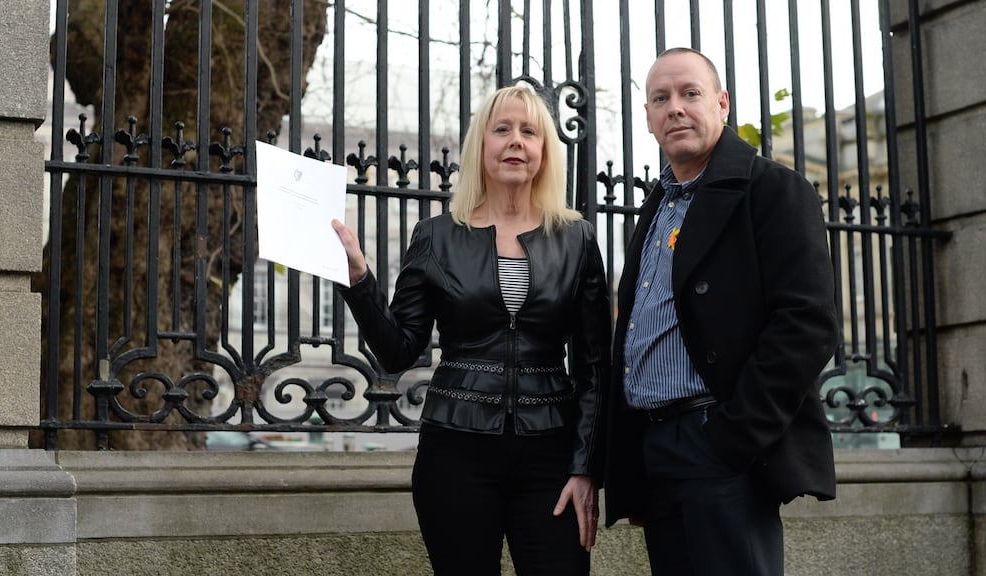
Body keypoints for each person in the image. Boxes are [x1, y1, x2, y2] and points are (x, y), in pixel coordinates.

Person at [332, 84, 611, 576]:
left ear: (544, 149)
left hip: (551, 455)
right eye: (501, 129)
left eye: (529, 131)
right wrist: (358, 280)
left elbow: (594, 366)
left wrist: (585, 467)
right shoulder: (438, 236)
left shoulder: (576, 239)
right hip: (456, 452)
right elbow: (399, 350)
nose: (515, 142)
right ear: (481, 146)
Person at [603, 47, 839, 576]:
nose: (675, 108)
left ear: (722, 103)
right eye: (660, 99)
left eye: (690, 93)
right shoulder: (657, 206)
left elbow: (807, 325)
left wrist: (731, 438)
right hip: (656, 445)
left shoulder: (774, 189)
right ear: (647, 117)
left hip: (720, 440)